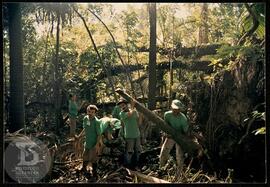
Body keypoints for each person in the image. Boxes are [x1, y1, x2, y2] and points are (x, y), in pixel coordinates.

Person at [159, 99, 188, 174]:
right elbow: (165, 125)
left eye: (177, 109)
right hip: (170, 136)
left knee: (179, 156)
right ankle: (161, 169)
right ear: (171, 108)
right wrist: (165, 134)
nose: (175, 111)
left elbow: (185, 132)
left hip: (180, 137)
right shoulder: (167, 115)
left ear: (180, 110)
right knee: (163, 152)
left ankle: (179, 173)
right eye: (174, 109)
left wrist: (183, 140)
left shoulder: (183, 118)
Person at [78, 104, 101, 176]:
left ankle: (94, 172)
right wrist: (79, 136)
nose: (90, 113)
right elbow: (85, 129)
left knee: (93, 158)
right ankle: (84, 168)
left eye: (92, 112)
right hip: (87, 142)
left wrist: (97, 145)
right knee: (85, 155)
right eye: (89, 111)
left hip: (94, 143)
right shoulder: (85, 118)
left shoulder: (96, 122)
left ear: (95, 113)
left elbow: (99, 134)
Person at [118, 98, 141, 168]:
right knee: (129, 151)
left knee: (138, 151)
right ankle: (127, 166)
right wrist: (133, 106)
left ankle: (137, 164)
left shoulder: (134, 111)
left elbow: (137, 118)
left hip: (137, 134)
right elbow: (129, 114)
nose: (122, 107)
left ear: (127, 105)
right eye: (121, 106)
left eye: (123, 105)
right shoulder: (121, 113)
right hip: (129, 135)